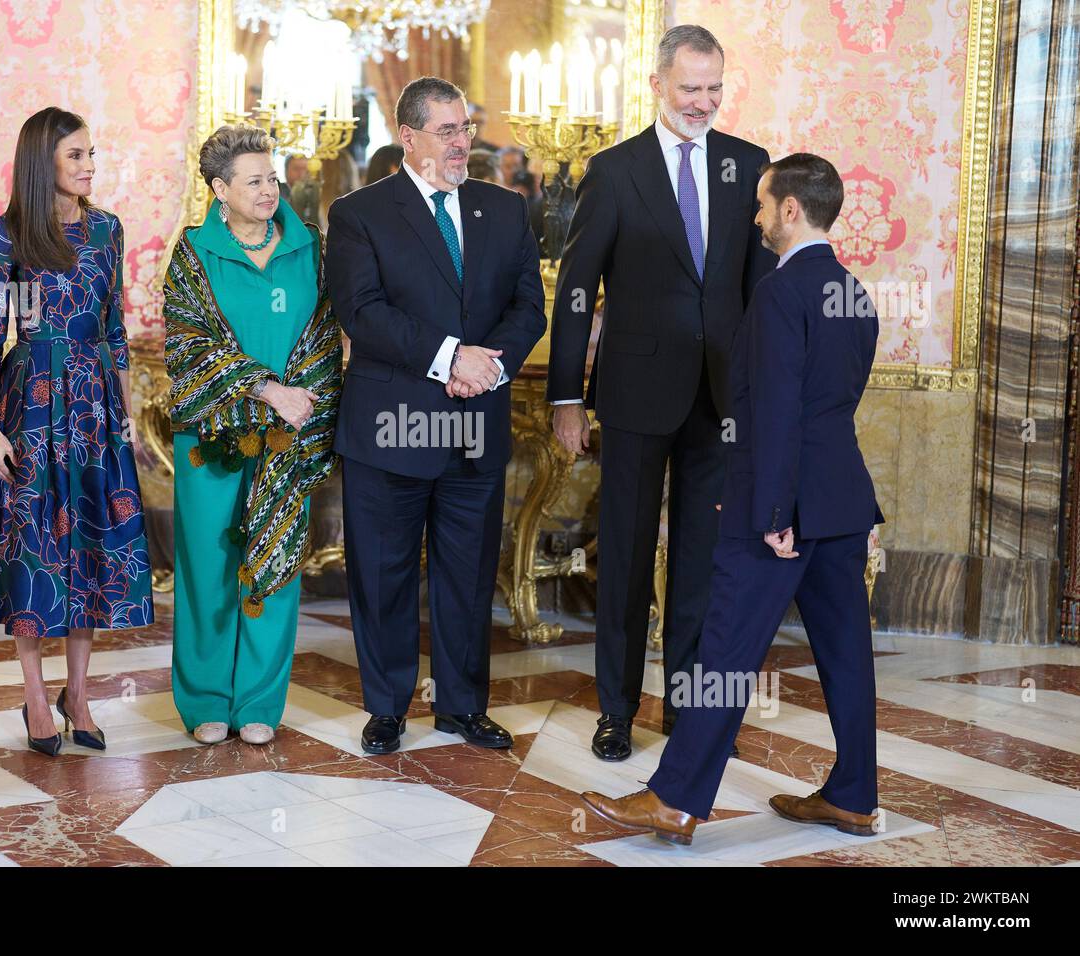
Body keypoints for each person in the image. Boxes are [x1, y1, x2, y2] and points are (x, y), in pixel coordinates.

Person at [581, 153, 884, 844]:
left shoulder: (780, 293)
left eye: (760, 204)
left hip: (782, 511)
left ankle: (676, 798)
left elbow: (777, 408)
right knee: (846, 654)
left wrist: (775, 511)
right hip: (843, 502)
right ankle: (855, 796)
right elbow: (832, 409)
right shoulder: (855, 293)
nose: (753, 217)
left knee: (723, 651)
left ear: (789, 210)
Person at [547, 25, 775, 762]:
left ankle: (688, 707)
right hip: (635, 394)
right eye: (690, 89)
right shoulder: (614, 171)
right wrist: (566, 398)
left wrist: (762, 394)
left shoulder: (749, 166)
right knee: (624, 555)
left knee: (704, 561)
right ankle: (616, 709)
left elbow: (757, 291)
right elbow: (577, 290)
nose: (703, 102)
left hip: (721, 399)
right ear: (656, 85)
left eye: (714, 88)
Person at [326, 76, 546, 755]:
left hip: (475, 425)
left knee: (469, 575)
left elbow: (527, 308)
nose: (462, 144)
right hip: (390, 429)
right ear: (408, 137)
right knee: (384, 574)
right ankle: (388, 708)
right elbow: (361, 312)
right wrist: (451, 356)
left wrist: (490, 362)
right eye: (447, 131)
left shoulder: (504, 209)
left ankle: (461, 707)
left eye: (466, 130)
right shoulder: (359, 214)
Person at [0, 107, 153, 757]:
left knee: (90, 546)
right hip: (30, 403)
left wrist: (126, 418)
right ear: (45, 162)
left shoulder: (108, 230)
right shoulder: (10, 235)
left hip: (94, 405)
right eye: (77, 156)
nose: (91, 165)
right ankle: (37, 697)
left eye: (93, 154)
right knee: (33, 552)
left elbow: (115, 330)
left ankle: (81, 695)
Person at [163, 125, 341, 746]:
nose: (270, 190)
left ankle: (261, 701)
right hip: (212, 437)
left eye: (273, 177)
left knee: (277, 565)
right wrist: (268, 391)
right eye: (254, 180)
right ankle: (207, 701)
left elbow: (324, 338)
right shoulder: (192, 252)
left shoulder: (311, 246)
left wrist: (300, 401)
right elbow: (188, 347)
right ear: (219, 189)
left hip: (288, 436)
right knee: (208, 566)